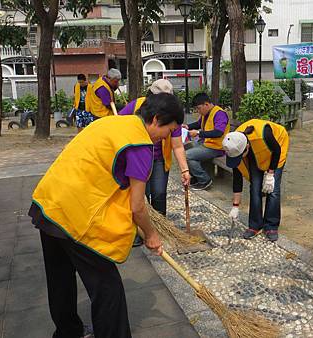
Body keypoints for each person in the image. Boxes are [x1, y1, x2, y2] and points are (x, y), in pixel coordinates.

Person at [28, 93, 184, 338]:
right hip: (74, 215)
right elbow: (137, 206)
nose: (166, 138)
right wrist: (152, 235)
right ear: (155, 120)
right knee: (108, 288)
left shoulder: (112, 122)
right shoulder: (140, 144)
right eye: (169, 131)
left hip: (48, 204)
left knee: (59, 279)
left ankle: (68, 332)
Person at [119, 79, 190, 215]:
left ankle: (160, 224)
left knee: (159, 193)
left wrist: (184, 170)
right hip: (135, 157)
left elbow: (177, 145)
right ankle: (143, 226)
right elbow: (118, 125)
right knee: (141, 194)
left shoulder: (171, 114)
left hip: (159, 159)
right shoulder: (136, 106)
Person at [222, 119, 289, 242]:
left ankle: (271, 225)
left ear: (246, 147)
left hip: (277, 146)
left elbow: (277, 151)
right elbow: (237, 178)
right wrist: (235, 206)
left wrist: (270, 174)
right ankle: (255, 225)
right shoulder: (232, 145)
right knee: (255, 187)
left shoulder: (264, 134)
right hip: (255, 154)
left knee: (273, 189)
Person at [183, 93, 230, 190]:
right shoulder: (206, 113)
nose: (198, 111)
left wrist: (199, 133)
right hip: (207, 144)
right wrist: (188, 126)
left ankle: (204, 180)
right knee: (185, 148)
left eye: (199, 108)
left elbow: (218, 132)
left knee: (187, 156)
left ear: (206, 104)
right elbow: (199, 123)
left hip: (217, 147)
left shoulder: (219, 114)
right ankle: (195, 177)